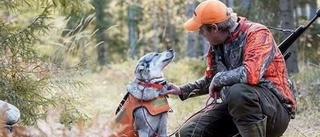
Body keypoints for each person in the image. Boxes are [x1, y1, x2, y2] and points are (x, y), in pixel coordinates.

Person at [161, 0, 296, 137]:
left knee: (238, 92)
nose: (201, 35)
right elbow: (211, 80)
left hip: (274, 113)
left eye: (201, 31)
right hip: (236, 109)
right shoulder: (216, 45)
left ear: (214, 28)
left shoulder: (257, 34)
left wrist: (219, 78)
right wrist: (181, 90)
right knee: (188, 133)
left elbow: (251, 74)